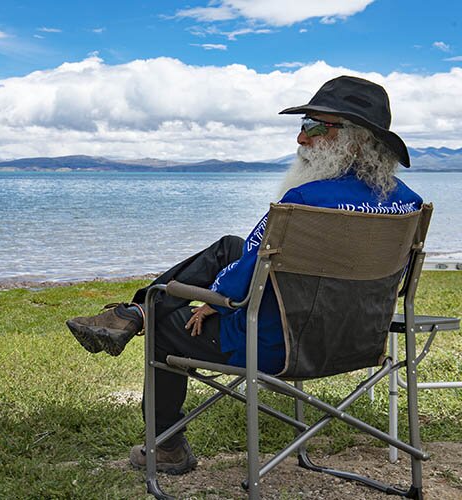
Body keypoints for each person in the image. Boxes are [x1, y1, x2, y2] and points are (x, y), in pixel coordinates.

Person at [65, 75, 423, 474]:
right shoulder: (408, 204)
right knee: (230, 246)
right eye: (302, 127)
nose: (301, 140)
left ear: (356, 141)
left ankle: (165, 438)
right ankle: (134, 315)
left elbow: (243, 280)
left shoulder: (304, 202)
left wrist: (213, 302)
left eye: (314, 127)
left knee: (167, 316)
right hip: (357, 340)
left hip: (280, 343)